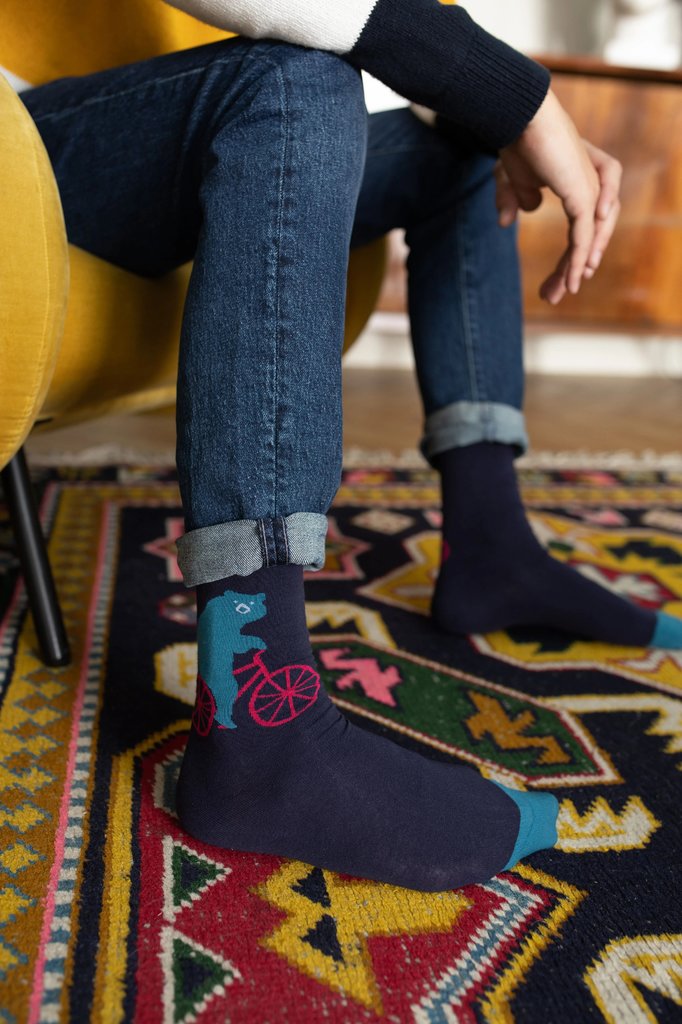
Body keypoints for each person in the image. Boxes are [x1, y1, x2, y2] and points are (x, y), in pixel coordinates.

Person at [18, 0, 682, 892]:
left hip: (136, 132)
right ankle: (260, 731)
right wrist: (520, 97)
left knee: (463, 150)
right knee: (293, 83)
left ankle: (492, 546)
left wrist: (494, 113)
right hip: (19, 146)